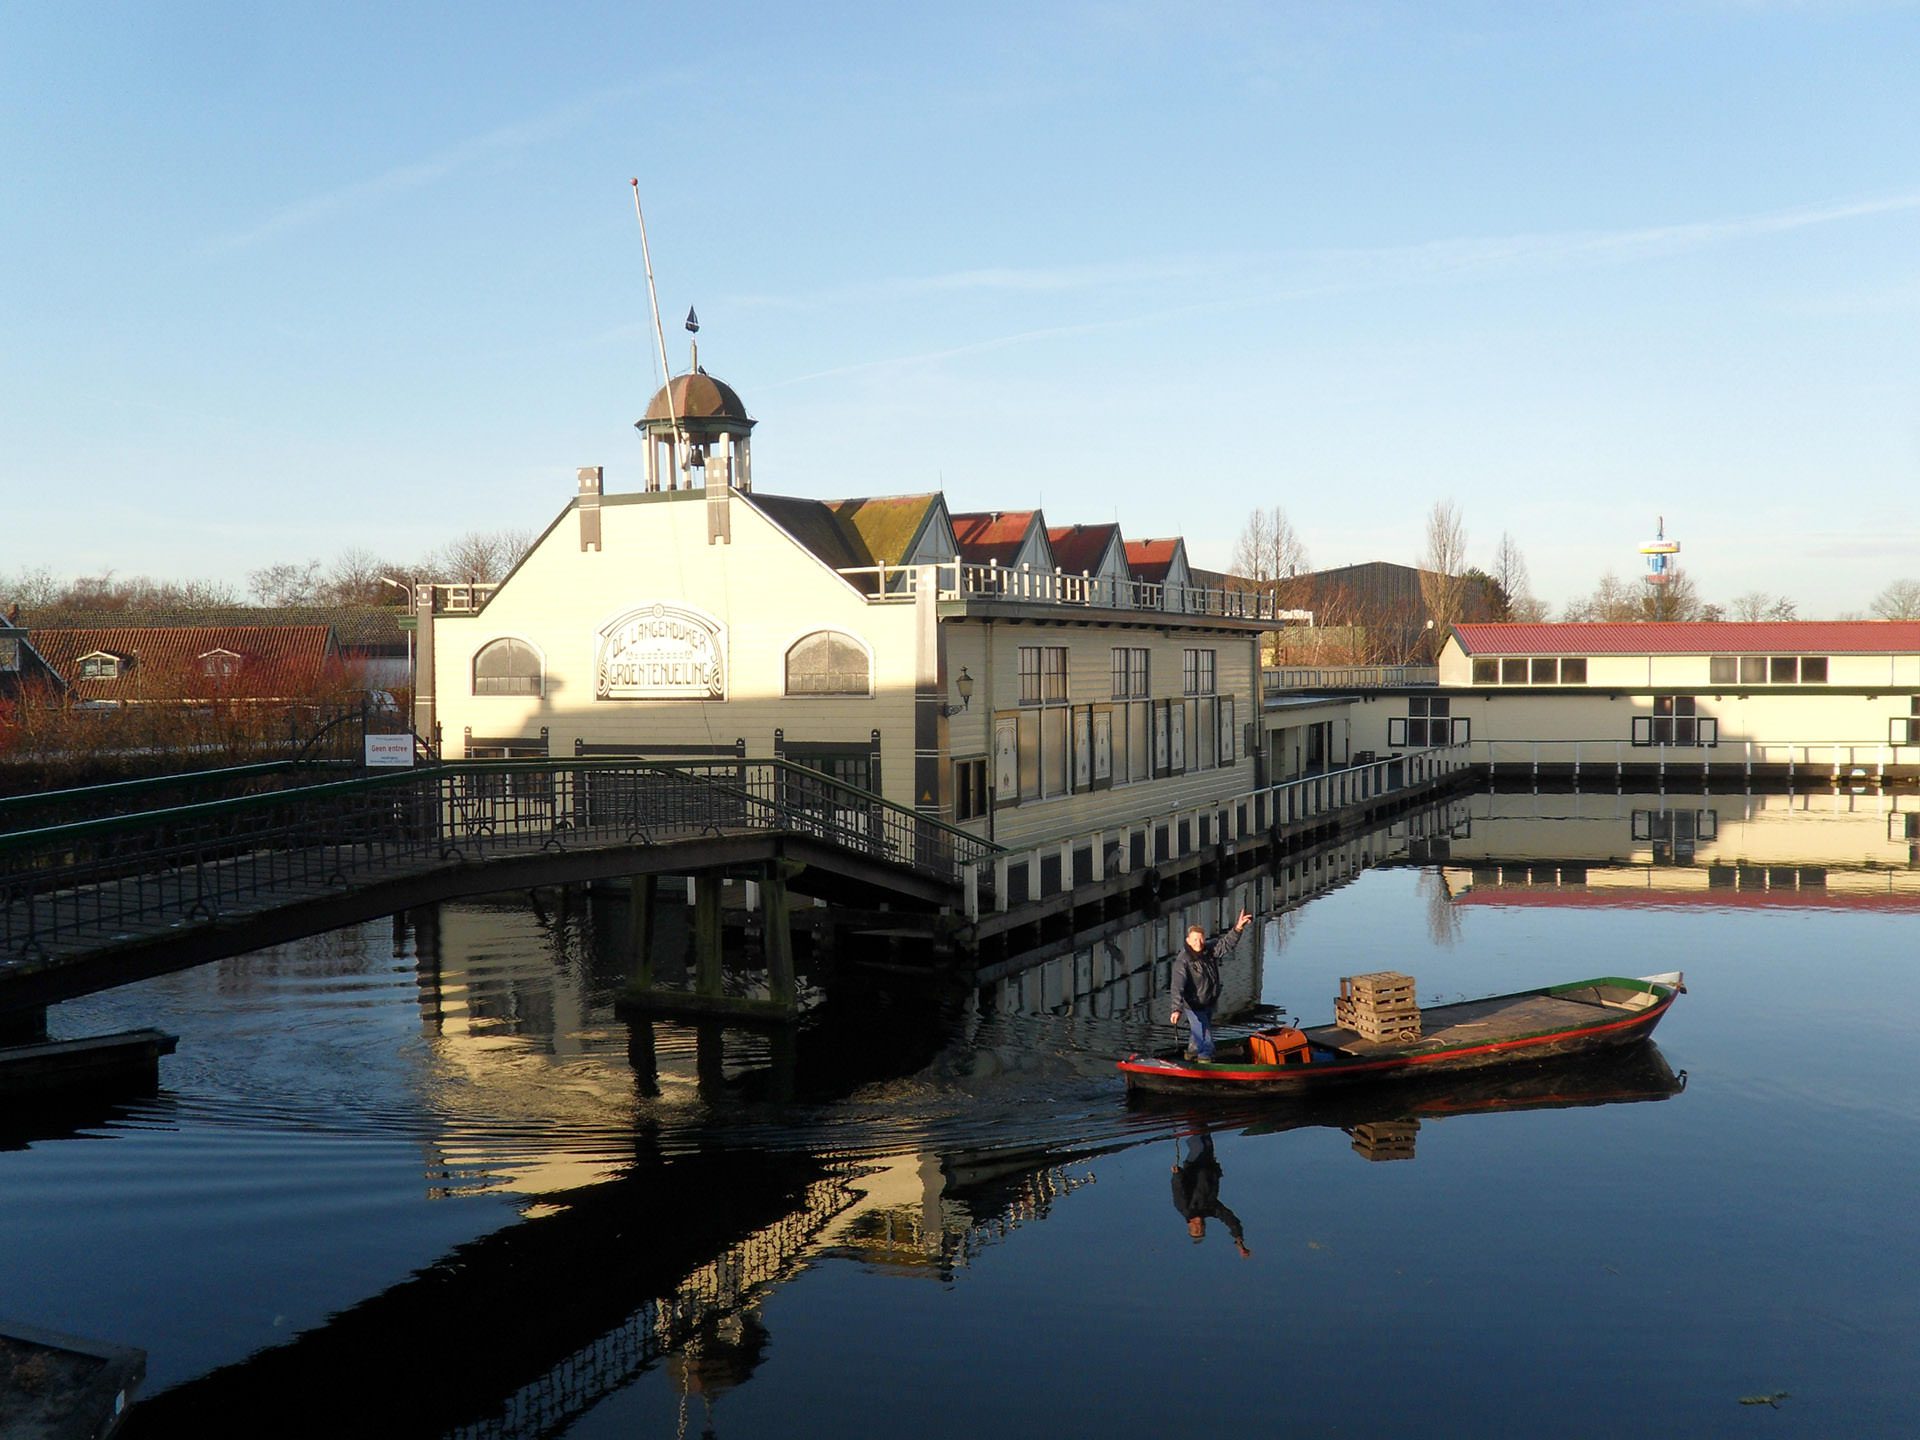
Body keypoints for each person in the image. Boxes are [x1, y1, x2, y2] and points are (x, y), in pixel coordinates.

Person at [1169, 908, 1252, 1061]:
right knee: (1204, 1033)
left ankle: (1192, 1053)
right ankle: (1206, 1061)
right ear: (1187, 940)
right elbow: (1177, 986)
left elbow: (1226, 944)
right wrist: (1176, 1009)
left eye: (1201, 939)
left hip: (1208, 1001)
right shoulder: (1183, 961)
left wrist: (1238, 928)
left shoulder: (1208, 950)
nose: (1198, 943)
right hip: (1193, 1004)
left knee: (1199, 1032)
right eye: (1194, 940)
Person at [1171, 1130, 1251, 1257]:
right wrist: (1239, 1239)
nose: (1199, 1226)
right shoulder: (1211, 1209)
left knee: (1199, 1144)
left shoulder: (1184, 1208)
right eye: (1201, 1229)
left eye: (1196, 1229)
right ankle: (1198, 1122)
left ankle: (1188, 1123)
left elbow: (1178, 1190)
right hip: (1209, 1167)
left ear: (1190, 1225)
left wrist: (1177, 1175)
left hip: (1194, 1167)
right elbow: (1230, 1219)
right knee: (1207, 1141)